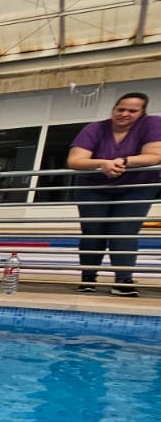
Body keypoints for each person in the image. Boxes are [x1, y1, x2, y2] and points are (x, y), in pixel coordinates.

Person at [66, 91, 161, 296]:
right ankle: (88, 278)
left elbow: (155, 156)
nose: (124, 114)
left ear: (142, 113)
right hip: (94, 186)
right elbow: (75, 160)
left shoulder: (153, 124)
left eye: (132, 110)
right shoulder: (95, 128)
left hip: (137, 186)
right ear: (113, 110)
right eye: (120, 109)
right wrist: (102, 163)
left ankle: (123, 280)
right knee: (93, 231)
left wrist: (123, 161)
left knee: (124, 230)